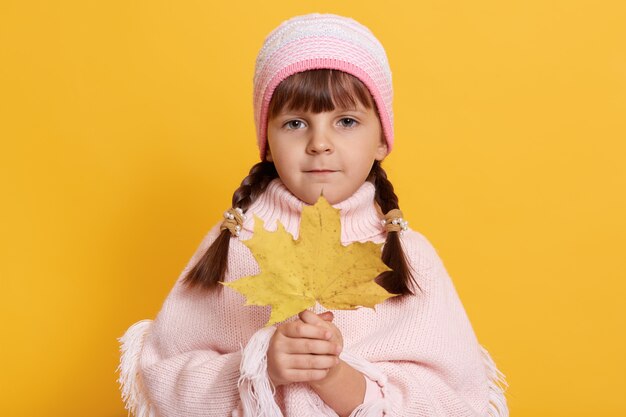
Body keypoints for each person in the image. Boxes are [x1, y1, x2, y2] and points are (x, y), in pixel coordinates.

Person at [117, 13, 509, 417]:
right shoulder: (235, 242)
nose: (319, 143)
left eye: (346, 121)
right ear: (267, 141)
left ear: (381, 140)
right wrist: (259, 366)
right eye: (295, 123)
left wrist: (338, 379)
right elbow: (165, 376)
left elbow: (457, 399)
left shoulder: (409, 254)